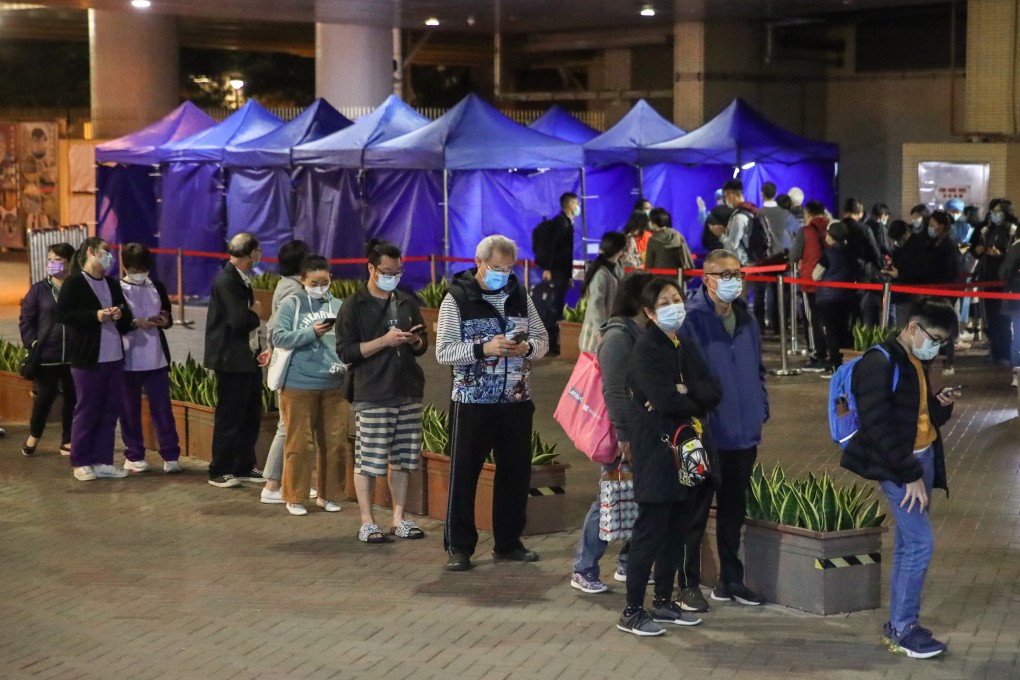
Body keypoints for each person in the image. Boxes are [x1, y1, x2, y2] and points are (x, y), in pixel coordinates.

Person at [840, 297, 958, 659]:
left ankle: (899, 624)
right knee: (920, 544)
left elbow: (918, 414)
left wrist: (942, 404)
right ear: (912, 328)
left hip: (920, 460)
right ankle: (904, 627)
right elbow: (878, 426)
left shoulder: (914, 360)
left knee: (910, 544)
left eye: (942, 342)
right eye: (934, 338)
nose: (937, 347)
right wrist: (909, 476)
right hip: (899, 467)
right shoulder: (879, 362)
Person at [436, 235, 549, 572]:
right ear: (479, 263)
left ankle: (509, 542)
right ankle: (459, 546)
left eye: (509, 268)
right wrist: (482, 348)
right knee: (464, 474)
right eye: (497, 268)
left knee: (515, 474)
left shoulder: (519, 295)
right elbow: (443, 351)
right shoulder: (457, 298)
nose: (504, 273)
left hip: (516, 399)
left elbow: (543, 341)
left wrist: (525, 349)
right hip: (472, 402)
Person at [617, 276, 720, 635]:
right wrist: (688, 397)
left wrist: (686, 389)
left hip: (687, 451)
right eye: (664, 303)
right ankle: (632, 610)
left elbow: (714, 390)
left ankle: (663, 602)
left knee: (678, 528)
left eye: (677, 298)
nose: (674, 306)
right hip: (657, 452)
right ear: (648, 311)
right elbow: (665, 401)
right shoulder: (646, 349)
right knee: (651, 530)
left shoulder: (683, 345)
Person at [679, 249, 768, 606]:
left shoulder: (748, 320)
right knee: (695, 514)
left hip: (743, 436)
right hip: (706, 436)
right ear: (707, 279)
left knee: (734, 513)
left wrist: (762, 407)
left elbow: (758, 370)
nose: (733, 280)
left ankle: (731, 581)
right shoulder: (690, 321)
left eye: (737, 273)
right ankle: (687, 585)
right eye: (725, 274)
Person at [337, 240, 429, 541]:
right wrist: (384, 341)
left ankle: (399, 518)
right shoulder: (354, 305)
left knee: (403, 460)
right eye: (387, 271)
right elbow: (346, 352)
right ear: (372, 269)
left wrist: (415, 341)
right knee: (369, 461)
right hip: (372, 392)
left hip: (407, 389)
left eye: (398, 271)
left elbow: (422, 343)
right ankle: (367, 521)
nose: (393, 276)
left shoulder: (405, 301)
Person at [569, 270, 654, 594]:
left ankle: (627, 563)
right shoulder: (618, 337)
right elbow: (614, 391)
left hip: (641, 431)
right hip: (624, 436)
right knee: (609, 500)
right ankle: (584, 568)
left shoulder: (639, 333)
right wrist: (625, 436)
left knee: (637, 498)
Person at [272, 255, 346, 517]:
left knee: (335, 443)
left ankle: (328, 495)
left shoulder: (338, 305)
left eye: (325, 282)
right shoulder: (292, 304)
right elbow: (278, 336)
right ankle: (294, 496)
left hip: (333, 384)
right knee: (299, 444)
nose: (320, 287)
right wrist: (311, 333)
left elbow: (347, 341)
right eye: (314, 282)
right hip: (298, 385)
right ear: (303, 280)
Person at [55, 237, 134, 481]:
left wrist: (120, 312)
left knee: (110, 410)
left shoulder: (111, 284)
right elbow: (64, 315)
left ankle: (102, 460)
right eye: (106, 252)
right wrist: (95, 315)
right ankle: (81, 461)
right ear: (91, 252)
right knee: (87, 410)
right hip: (87, 358)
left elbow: (126, 313)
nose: (109, 257)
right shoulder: (75, 283)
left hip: (114, 357)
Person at [204, 232, 270, 489]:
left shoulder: (242, 279)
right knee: (230, 416)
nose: (260, 255)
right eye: (258, 251)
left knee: (250, 414)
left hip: (247, 358)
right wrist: (256, 314)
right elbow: (239, 321)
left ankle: (243, 465)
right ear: (250, 253)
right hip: (230, 360)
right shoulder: (227, 280)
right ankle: (219, 469)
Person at [118, 243, 181, 473]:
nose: (139, 273)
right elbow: (116, 322)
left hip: (156, 359)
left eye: (143, 268)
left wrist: (164, 320)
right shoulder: (117, 289)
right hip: (127, 358)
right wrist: (134, 322)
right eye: (135, 269)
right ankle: (134, 454)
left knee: (162, 408)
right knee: (129, 409)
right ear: (126, 266)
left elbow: (167, 314)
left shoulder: (158, 286)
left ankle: (171, 455)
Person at [260, 239, 312, 504]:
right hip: (292, 366)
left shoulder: (287, 286)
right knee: (288, 425)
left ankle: (290, 482)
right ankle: (272, 484)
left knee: (293, 425)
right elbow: (275, 328)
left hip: (291, 363)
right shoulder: (293, 291)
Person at [19, 242, 76, 457]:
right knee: (45, 397)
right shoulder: (39, 290)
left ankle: (67, 440)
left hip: (72, 355)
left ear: (69, 263)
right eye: (50, 260)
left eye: (58, 261)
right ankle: (34, 436)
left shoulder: (76, 288)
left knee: (72, 398)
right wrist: (32, 342)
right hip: (47, 355)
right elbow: (26, 320)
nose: (53, 264)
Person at [970, 199, 1017, 364]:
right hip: (986, 278)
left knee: (1003, 318)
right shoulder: (987, 230)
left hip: (1004, 282)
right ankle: (995, 349)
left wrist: (1001, 253)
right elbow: (974, 248)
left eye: (998, 211)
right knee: (989, 317)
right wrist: (979, 250)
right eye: (993, 212)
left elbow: (1014, 254)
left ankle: (1005, 352)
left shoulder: (1012, 231)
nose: (995, 215)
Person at [811, 221, 861, 375]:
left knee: (831, 332)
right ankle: (846, 365)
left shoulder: (828, 254)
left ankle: (835, 366)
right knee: (844, 330)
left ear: (832, 236)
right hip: (848, 297)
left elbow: (815, 275)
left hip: (829, 298)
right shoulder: (852, 252)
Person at [533, 192, 578, 355]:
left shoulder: (567, 223)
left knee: (556, 307)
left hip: (562, 272)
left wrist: (569, 276)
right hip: (556, 272)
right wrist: (547, 268)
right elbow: (551, 247)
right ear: (570, 204)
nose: (578, 206)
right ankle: (549, 344)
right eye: (576, 202)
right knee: (552, 308)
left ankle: (551, 343)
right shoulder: (561, 223)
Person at [790, 201, 830, 372]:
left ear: (808, 214)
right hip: (832, 282)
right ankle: (830, 353)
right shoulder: (832, 227)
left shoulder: (805, 231)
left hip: (810, 282)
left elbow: (793, 256)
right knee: (828, 320)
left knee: (812, 319)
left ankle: (817, 355)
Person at [922, 212, 961, 375]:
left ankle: (948, 362)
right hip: (935, 289)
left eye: (933, 224)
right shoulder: (934, 243)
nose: (930, 228)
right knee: (933, 326)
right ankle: (934, 359)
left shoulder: (948, 245)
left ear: (942, 226)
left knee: (945, 327)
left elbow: (947, 269)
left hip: (945, 290)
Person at [578, 232, 626, 354]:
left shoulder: (617, 267)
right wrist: (602, 331)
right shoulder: (601, 273)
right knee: (592, 371)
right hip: (595, 337)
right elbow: (596, 305)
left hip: (609, 331)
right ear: (620, 251)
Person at [841, 198, 884, 327]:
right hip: (861, 274)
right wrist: (882, 268)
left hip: (838, 275)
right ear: (860, 213)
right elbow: (874, 252)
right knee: (860, 311)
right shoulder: (864, 229)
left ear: (844, 211)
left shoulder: (836, 228)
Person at [709, 179, 756, 265]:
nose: (725, 200)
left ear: (732, 195)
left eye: (725, 196)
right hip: (750, 260)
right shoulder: (751, 211)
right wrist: (726, 232)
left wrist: (720, 235)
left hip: (741, 263)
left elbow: (731, 246)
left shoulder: (738, 217)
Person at [645, 208, 694, 273]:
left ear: (653, 222)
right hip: (679, 277)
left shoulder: (653, 240)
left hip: (659, 278)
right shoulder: (677, 235)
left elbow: (649, 264)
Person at [999, 240, 1020, 387]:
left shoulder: (1015, 248)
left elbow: (1003, 273)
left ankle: (1016, 374)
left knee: (1018, 337)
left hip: (1017, 299)